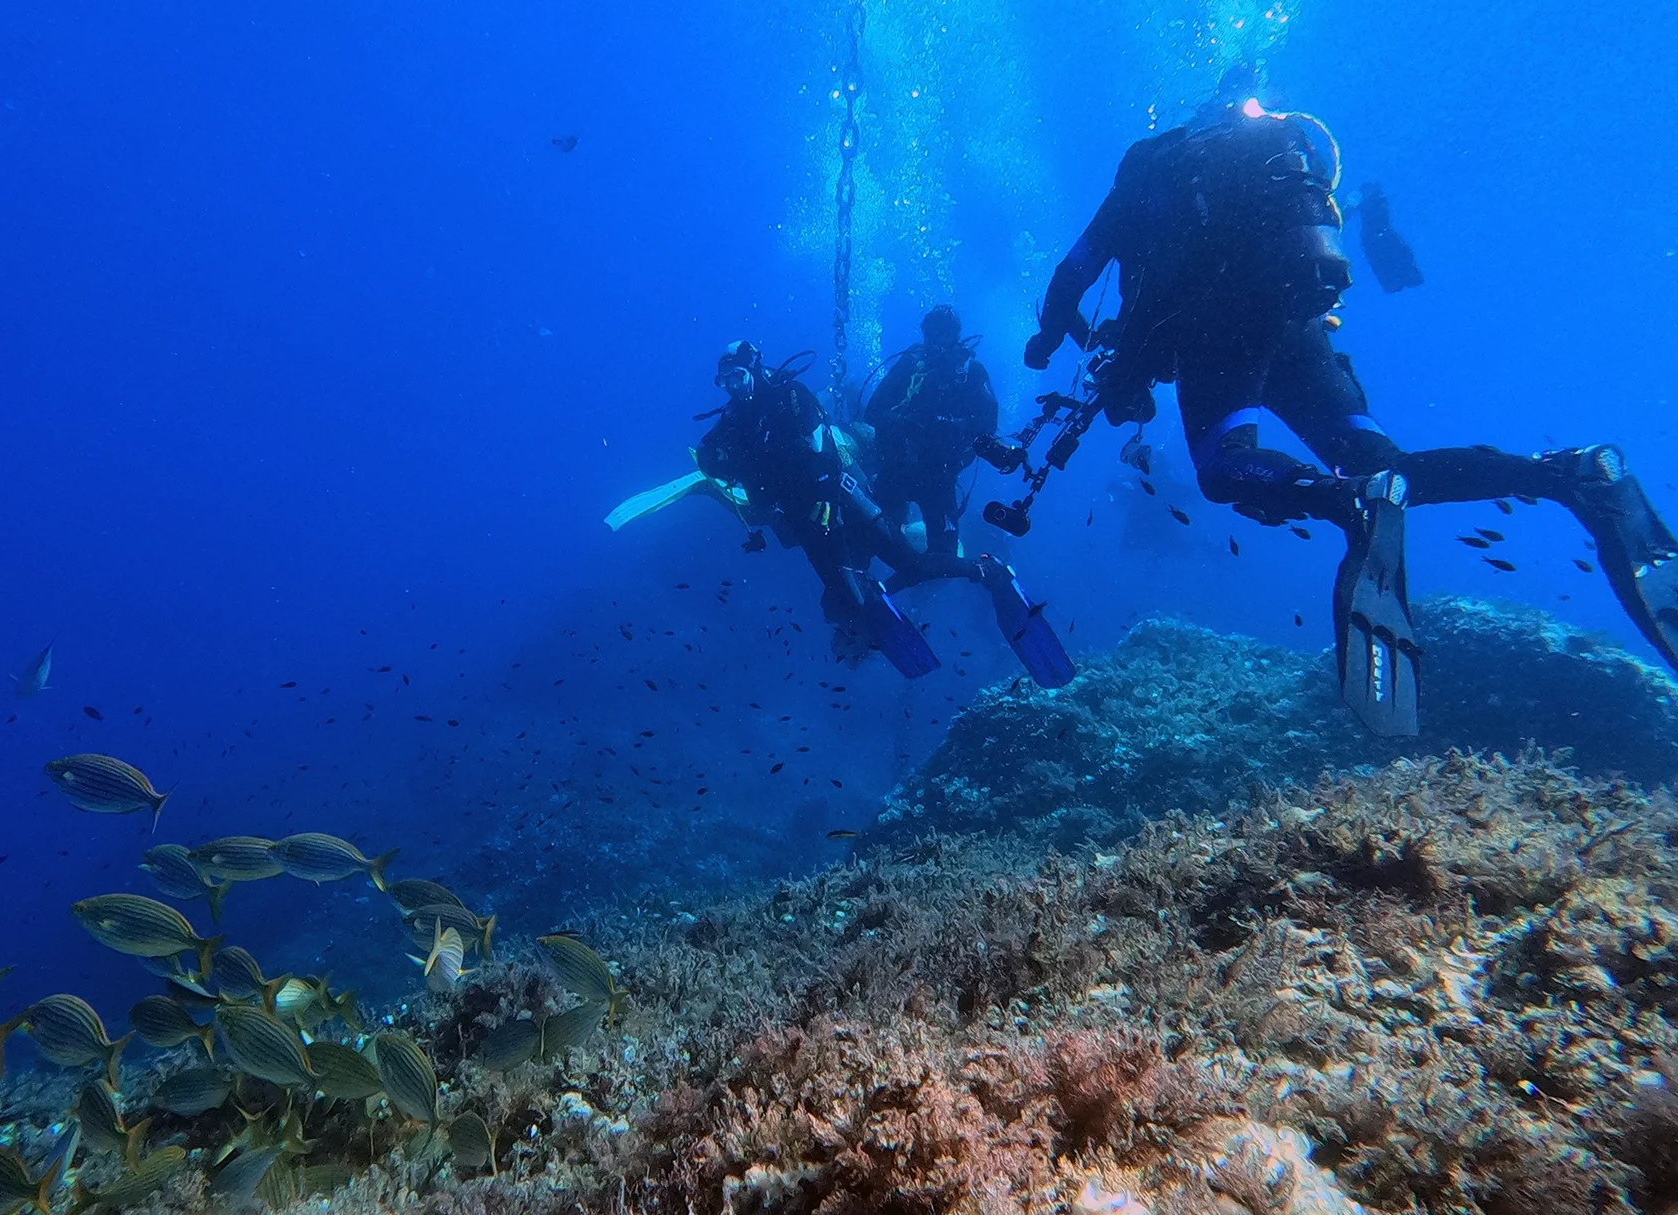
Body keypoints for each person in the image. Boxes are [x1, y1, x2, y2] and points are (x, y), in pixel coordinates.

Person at [1026, 65, 1678, 736]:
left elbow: (1075, 269)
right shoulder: (1282, 158)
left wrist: (1049, 337)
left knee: (1225, 469)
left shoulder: (1152, 167)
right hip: (1302, 330)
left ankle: (1348, 501)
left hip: (1218, 330)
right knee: (1385, 461)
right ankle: (1566, 474)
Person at [695, 341, 1071, 685]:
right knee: (839, 594)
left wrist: (816, 492)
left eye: (738, 376)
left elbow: (821, 452)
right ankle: (862, 623)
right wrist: (740, 463)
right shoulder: (735, 418)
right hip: (805, 521)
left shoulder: (789, 396)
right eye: (724, 380)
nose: (732, 386)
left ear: (756, 368)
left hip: (844, 503)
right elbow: (709, 456)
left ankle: (986, 571)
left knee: (911, 567)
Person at [863, 305, 1000, 555]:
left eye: (943, 335)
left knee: (945, 553)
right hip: (898, 466)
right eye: (930, 335)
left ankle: (919, 579)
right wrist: (905, 422)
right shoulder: (911, 364)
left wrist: (948, 424)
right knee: (870, 539)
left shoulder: (972, 374)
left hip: (940, 474)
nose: (935, 343)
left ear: (955, 337)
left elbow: (988, 425)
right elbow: (872, 412)